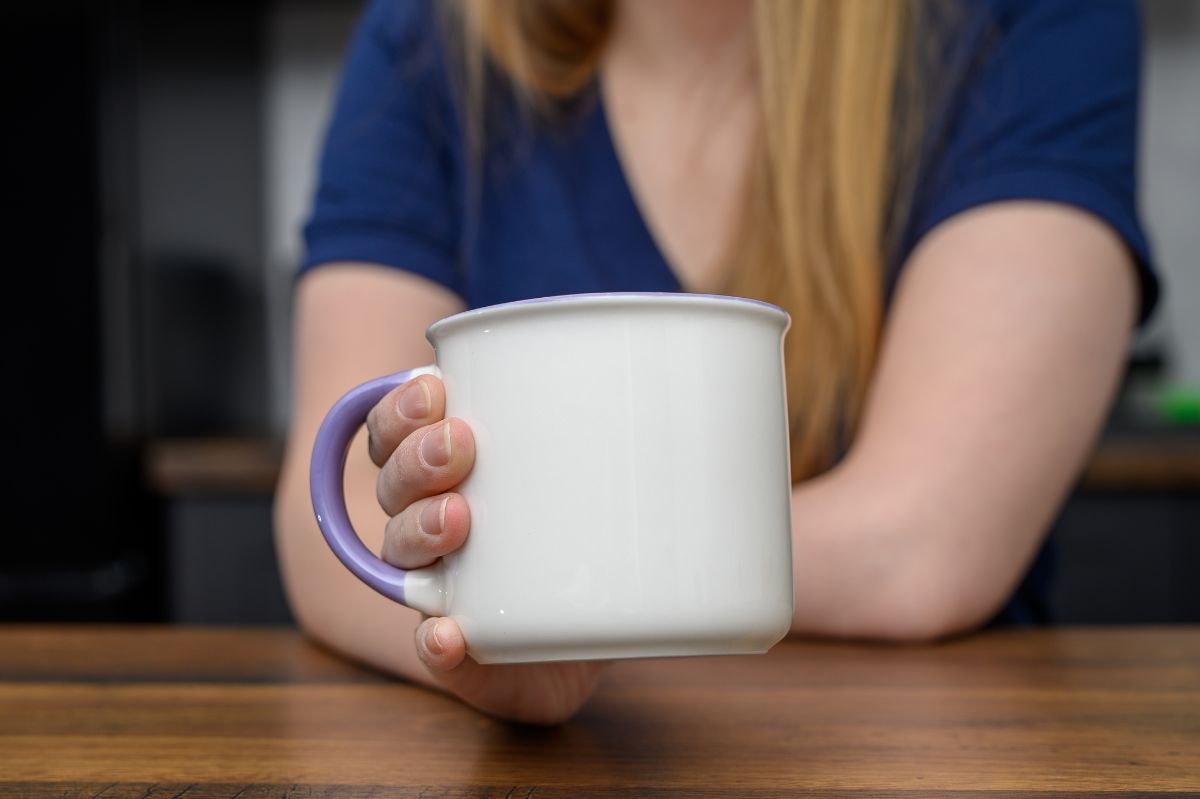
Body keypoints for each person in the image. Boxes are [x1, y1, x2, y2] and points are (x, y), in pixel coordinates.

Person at [273, 0, 1157, 724]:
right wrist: (494, 637)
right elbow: (334, 508)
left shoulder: (1030, 19)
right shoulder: (429, 39)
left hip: (935, 747)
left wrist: (556, 589)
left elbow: (927, 543)